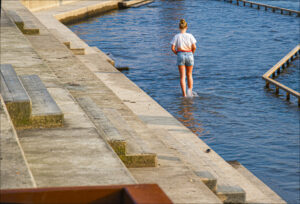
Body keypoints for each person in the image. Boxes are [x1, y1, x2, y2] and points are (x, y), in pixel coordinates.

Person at [171, 19, 197, 97]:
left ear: (179, 27)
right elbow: (194, 47)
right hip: (189, 53)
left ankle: (184, 95)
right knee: (189, 75)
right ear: (186, 27)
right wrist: (192, 53)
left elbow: (172, 48)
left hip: (180, 54)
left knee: (182, 76)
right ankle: (190, 93)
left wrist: (177, 53)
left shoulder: (176, 36)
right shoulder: (190, 36)